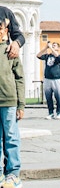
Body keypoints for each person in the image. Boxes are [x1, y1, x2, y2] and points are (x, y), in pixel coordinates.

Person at [0, 17, 25, 188]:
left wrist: (21, 105)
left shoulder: (11, 50)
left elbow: (20, 78)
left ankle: (13, 173)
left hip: (9, 101)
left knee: (11, 137)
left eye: (0, 28)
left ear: (6, 31)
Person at [37, 41, 60, 119]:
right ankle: (50, 113)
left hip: (56, 79)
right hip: (47, 78)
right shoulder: (47, 56)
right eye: (53, 45)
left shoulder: (59, 56)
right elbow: (38, 55)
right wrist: (46, 48)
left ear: (58, 48)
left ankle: (59, 112)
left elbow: (58, 56)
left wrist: (51, 47)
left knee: (58, 96)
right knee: (48, 97)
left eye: (55, 46)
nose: (53, 46)